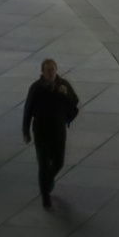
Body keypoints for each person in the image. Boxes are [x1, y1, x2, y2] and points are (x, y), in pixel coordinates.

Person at [23, 58, 80, 208]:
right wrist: (26, 131)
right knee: (43, 163)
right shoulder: (36, 88)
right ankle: (45, 194)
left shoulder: (63, 85)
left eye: (53, 70)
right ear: (43, 72)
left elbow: (74, 104)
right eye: (48, 71)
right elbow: (28, 110)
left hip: (57, 129)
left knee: (58, 161)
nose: (51, 73)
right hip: (41, 129)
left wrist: (65, 95)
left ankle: (47, 181)